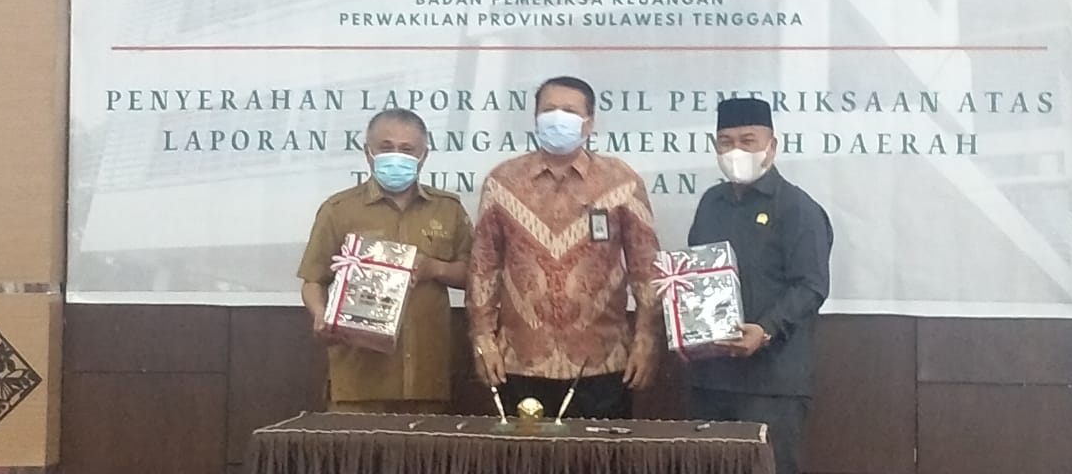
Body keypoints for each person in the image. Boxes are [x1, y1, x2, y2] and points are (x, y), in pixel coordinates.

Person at [466, 76, 660, 420]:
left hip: (602, 362)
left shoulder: (622, 181)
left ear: (589, 122)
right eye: (549, 109)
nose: (558, 118)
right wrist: (482, 340)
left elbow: (646, 270)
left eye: (569, 111)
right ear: (535, 117)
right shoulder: (502, 182)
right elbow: (483, 268)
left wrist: (646, 340)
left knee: (599, 453)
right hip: (519, 361)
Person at [685, 97, 833, 474]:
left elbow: (811, 286)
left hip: (773, 383)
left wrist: (765, 330)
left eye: (747, 140)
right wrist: (687, 330)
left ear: (772, 146)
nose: (735, 150)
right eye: (726, 141)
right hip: (712, 378)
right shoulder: (711, 204)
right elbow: (698, 275)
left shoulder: (798, 208)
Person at [297, 108, 472, 414]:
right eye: (386, 147)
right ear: (368, 152)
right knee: (353, 448)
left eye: (407, 149)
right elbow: (313, 279)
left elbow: (476, 276)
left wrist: (435, 268)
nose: (396, 157)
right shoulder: (339, 209)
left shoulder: (448, 209)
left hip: (426, 379)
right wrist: (321, 315)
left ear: (423, 156)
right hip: (358, 381)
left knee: (425, 448)